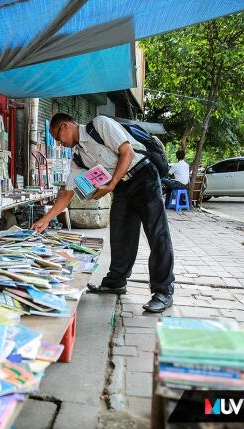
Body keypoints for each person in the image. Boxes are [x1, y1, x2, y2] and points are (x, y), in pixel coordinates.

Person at [32, 113, 175, 312]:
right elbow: (67, 193)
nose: (59, 143)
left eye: (57, 137)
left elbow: (127, 153)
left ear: (65, 126)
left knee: (157, 234)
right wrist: (46, 219)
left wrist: (111, 184)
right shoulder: (78, 158)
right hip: (121, 187)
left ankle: (163, 290)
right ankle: (115, 282)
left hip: (143, 177)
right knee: (120, 235)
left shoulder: (99, 125)